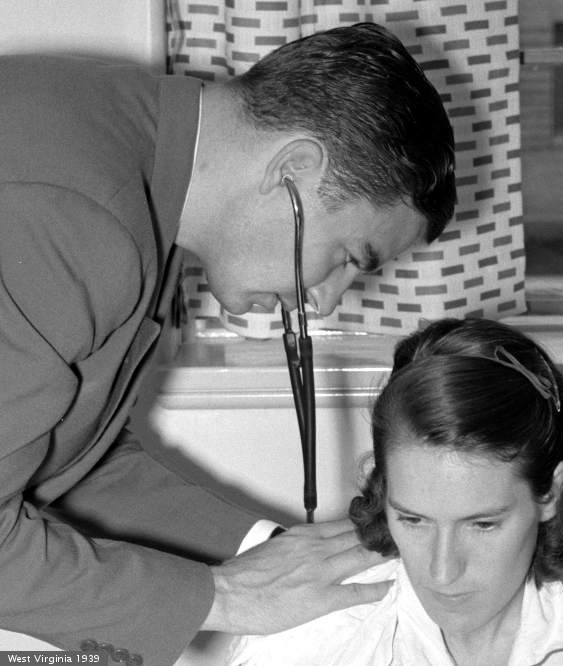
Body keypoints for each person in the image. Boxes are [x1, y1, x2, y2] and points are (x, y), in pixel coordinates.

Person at [0, 23, 455, 665]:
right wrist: (224, 598)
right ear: (294, 170)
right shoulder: (68, 215)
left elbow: (63, 458)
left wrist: (266, 550)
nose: (326, 300)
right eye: (349, 257)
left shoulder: (136, 165)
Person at [228, 317, 563, 665]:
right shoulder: (305, 636)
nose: (442, 571)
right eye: (412, 519)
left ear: (551, 492)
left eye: (482, 524)